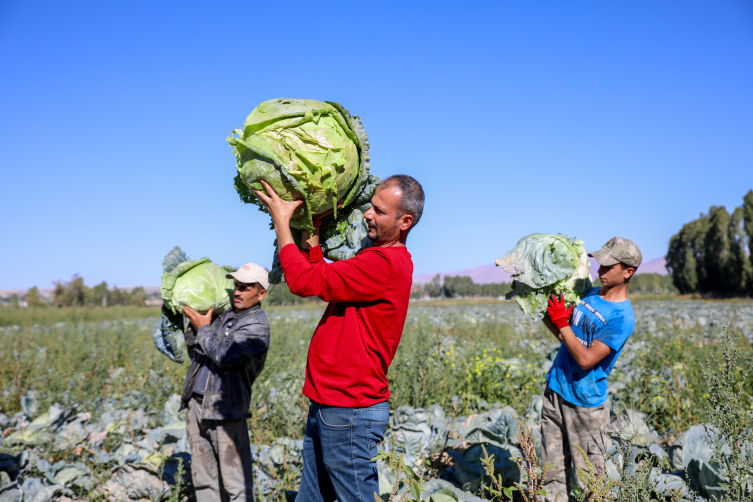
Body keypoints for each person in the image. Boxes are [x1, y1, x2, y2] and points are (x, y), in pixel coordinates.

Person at [253, 175, 424, 502]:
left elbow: (303, 282)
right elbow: (325, 283)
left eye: (378, 211)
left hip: (350, 411)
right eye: (371, 206)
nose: (367, 215)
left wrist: (282, 221)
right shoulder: (376, 261)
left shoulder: (384, 263)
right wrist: (312, 238)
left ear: (405, 221)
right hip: (330, 404)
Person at [540, 237, 642, 502]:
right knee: (551, 474)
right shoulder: (592, 294)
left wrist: (562, 323)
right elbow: (567, 339)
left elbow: (585, 359)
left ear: (628, 272)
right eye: (600, 264)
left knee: (592, 485)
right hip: (555, 390)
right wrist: (546, 315)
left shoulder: (622, 318)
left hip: (585, 407)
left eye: (609, 267)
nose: (600, 271)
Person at [179, 263, 271, 502]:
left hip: (226, 411)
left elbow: (225, 355)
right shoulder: (223, 317)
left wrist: (204, 329)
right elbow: (196, 350)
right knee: (204, 482)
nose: (237, 292)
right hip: (197, 408)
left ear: (261, 294)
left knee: (236, 485)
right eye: (236, 286)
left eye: (245, 288)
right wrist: (192, 322)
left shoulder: (256, 326)